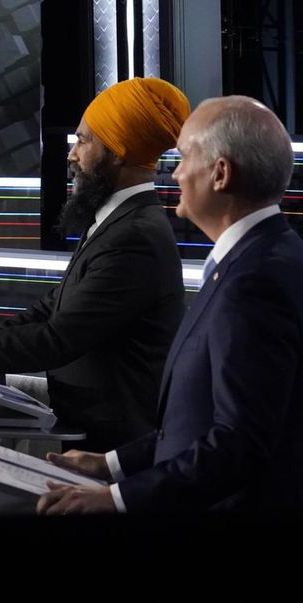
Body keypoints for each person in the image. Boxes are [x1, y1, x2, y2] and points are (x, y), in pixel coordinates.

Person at [37, 96, 303, 513]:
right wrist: (110, 465)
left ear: (220, 173)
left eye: (183, 158)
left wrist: (116, 500)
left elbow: (239, 441)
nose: (174, 172)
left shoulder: (256, 280)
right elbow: (198, 417)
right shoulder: (253, 260)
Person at [0, 78, 189, 452]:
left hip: (111, 446)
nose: (71, 155)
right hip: (88, 432)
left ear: (117, 152)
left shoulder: (135, 236)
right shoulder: (118, 221)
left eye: (83, 141)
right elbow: (50, 308)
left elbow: (58, 339)